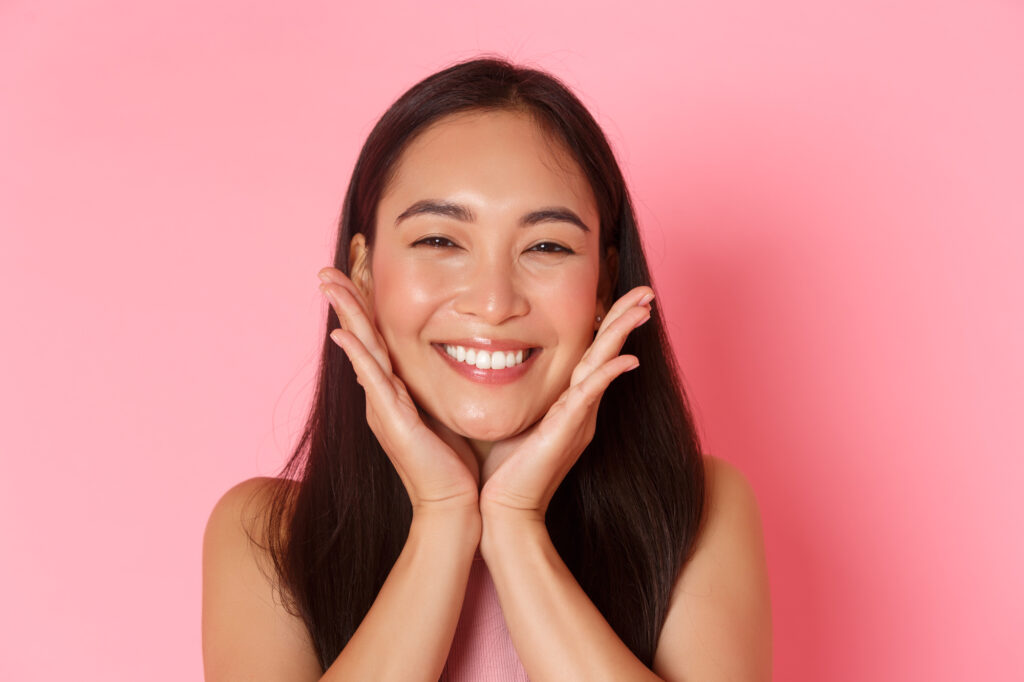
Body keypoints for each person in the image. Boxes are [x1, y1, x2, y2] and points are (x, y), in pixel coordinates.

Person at [202, 56, 772, 681]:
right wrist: (443, 517)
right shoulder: (266, 538)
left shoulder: (698, 511)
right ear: (363, 269)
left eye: (547, 246)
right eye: (440, 241)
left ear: (605, 282)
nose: (495, 302)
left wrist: (516, 526)